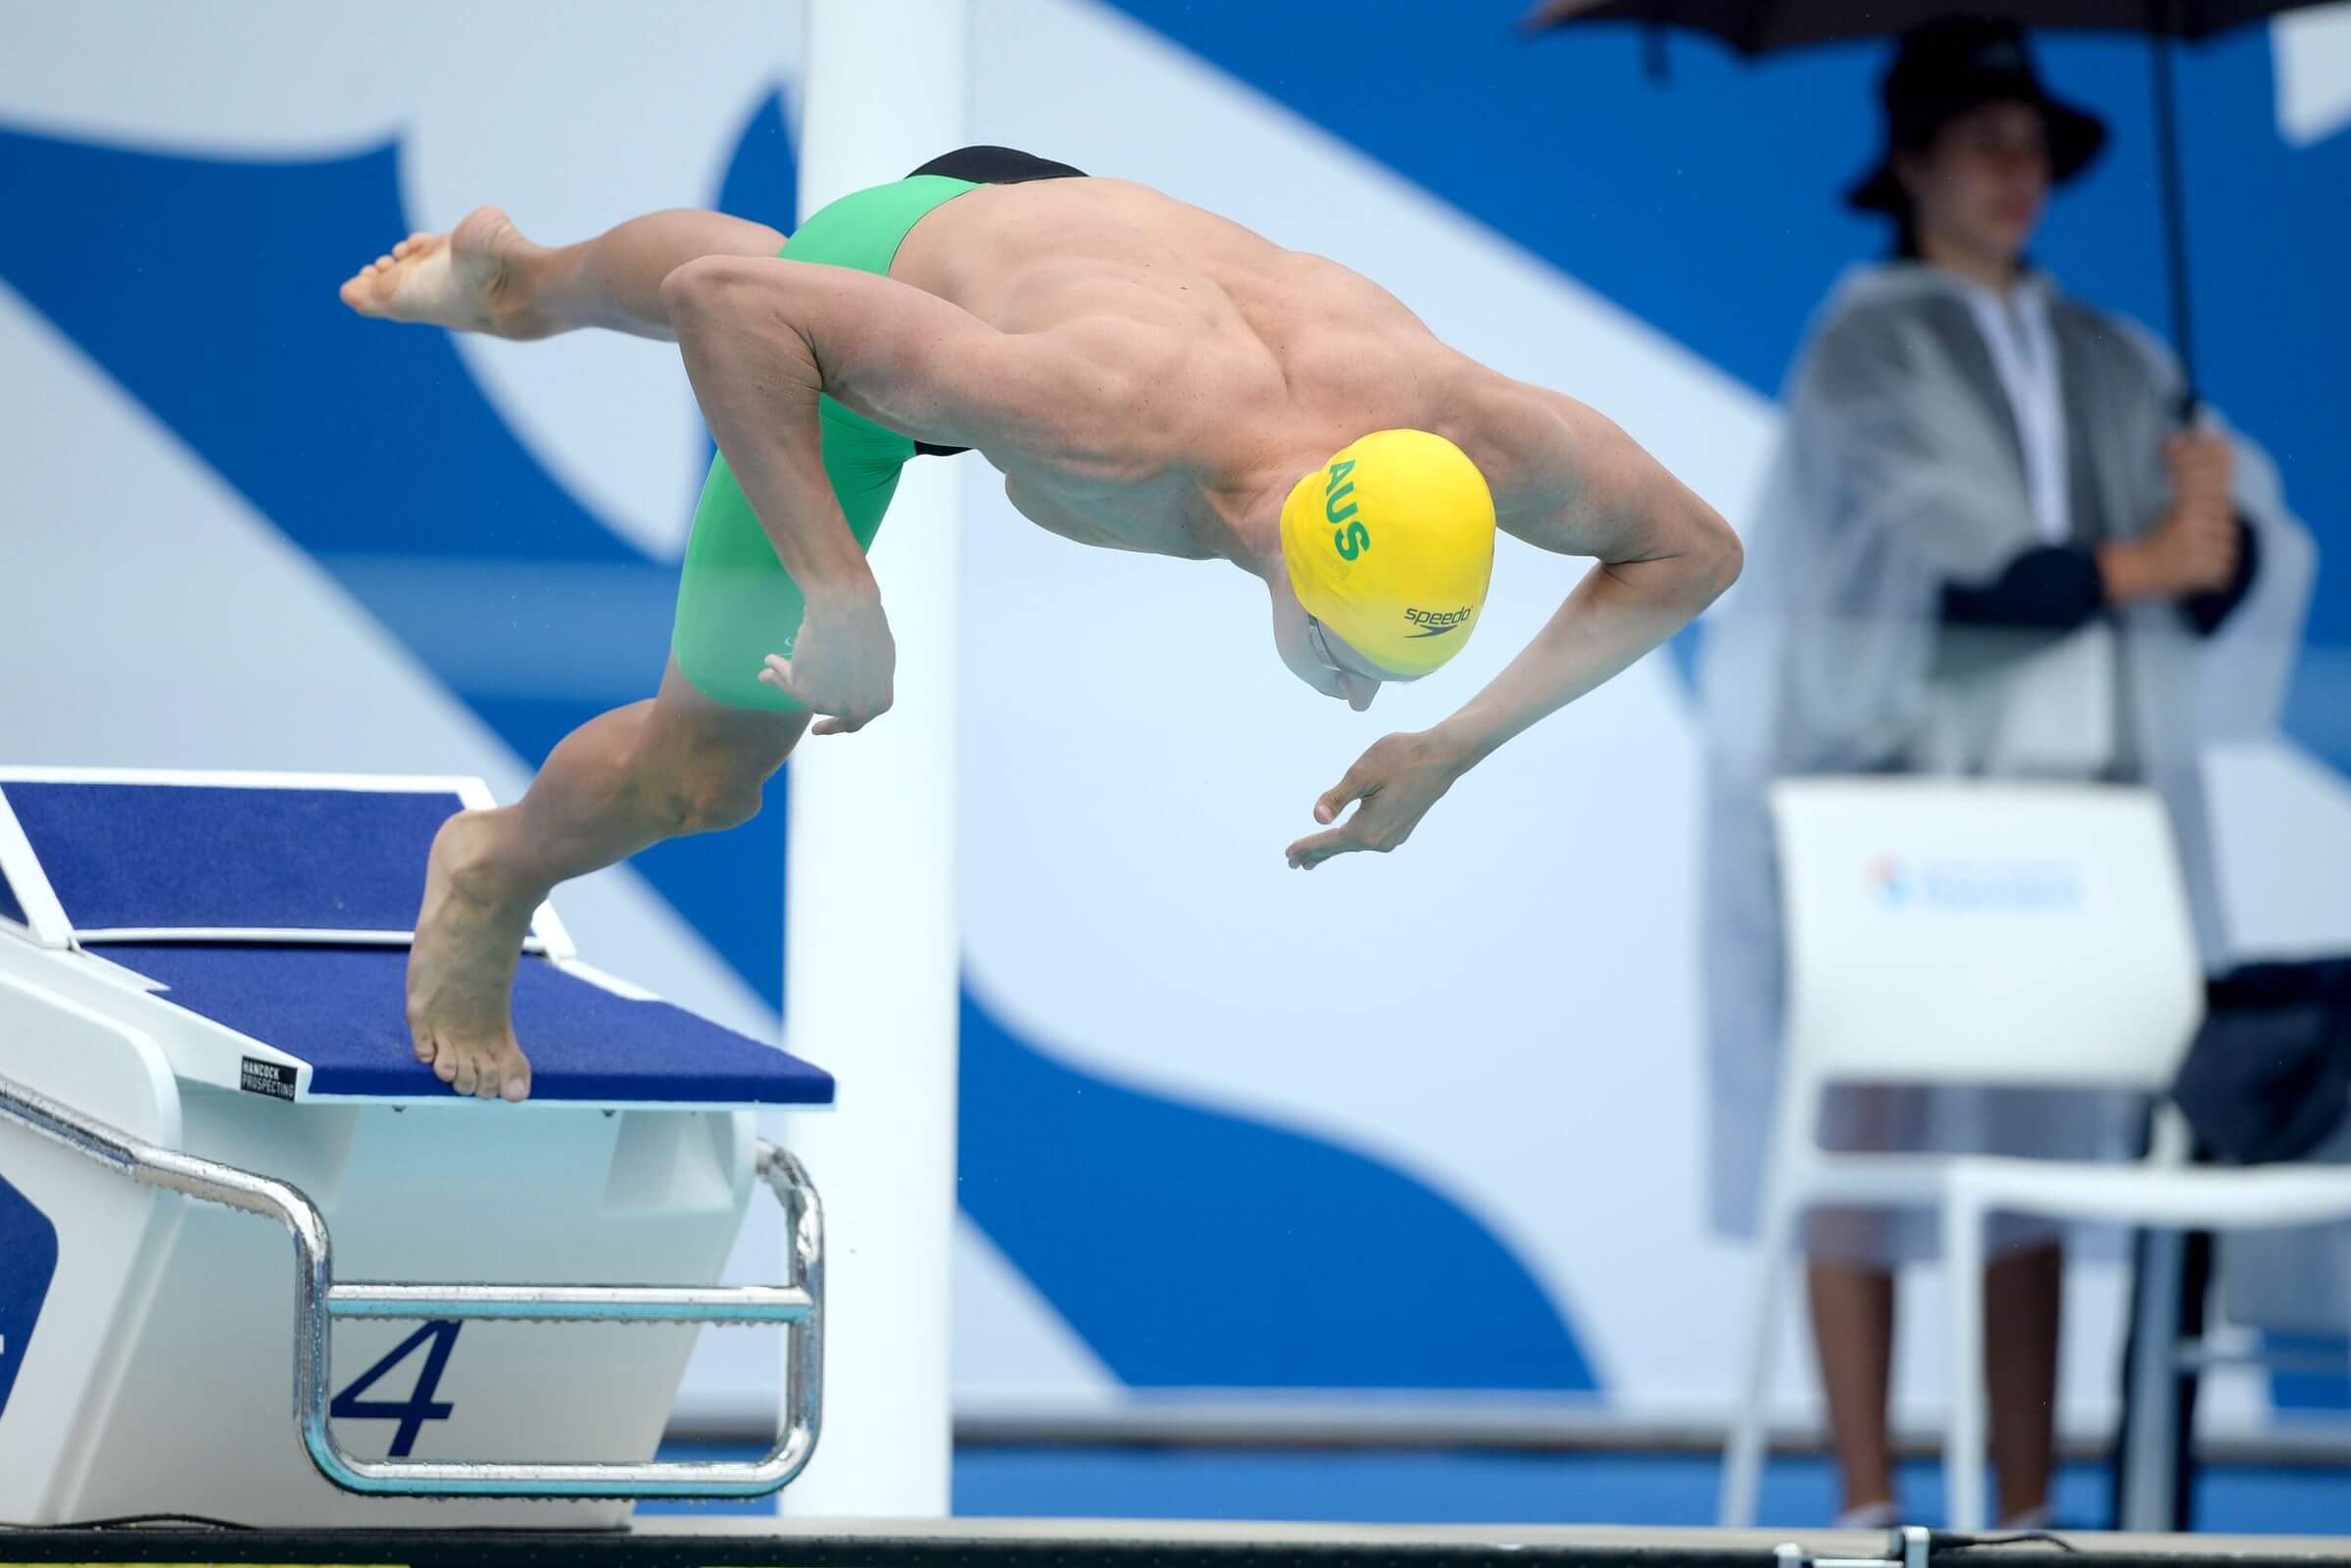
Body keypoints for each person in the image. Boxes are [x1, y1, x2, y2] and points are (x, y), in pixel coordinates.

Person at [341, 145, 1740, 1103]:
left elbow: (1691, 549)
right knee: (707, 776)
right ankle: (491, 874)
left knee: (835, 284)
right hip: (970, 308)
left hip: (1035, 234)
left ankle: (520, 275)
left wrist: (1458, 742)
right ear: (1291, 562)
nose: (1362, 701)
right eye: (1359, 663)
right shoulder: (1111, 421)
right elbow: (736, 313)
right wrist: (839, 590)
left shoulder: (1474, 431)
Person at [1698, 19, 2306, 1530]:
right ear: (1910, 167)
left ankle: (2025, 1501)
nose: (2015, 174)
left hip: (2079, 810)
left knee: (2033, 1143)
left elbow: (2198, 590)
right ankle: (1863, 1492)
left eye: (2032, 145)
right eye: (1983, 143)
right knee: (1873, 1125)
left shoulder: (2115, 354)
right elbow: (1940, 571)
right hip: (1896, 795)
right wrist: (2145, 557)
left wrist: (2209, 535)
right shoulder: (1871, 341)